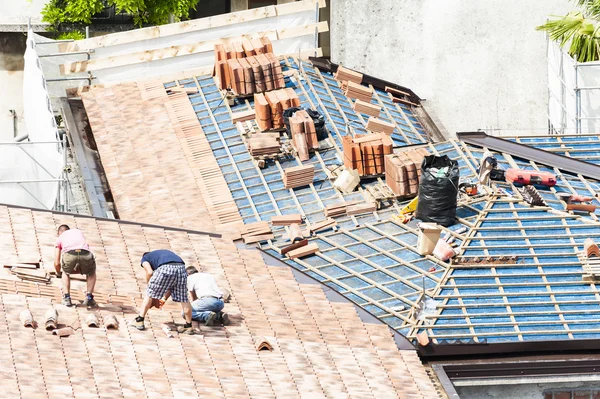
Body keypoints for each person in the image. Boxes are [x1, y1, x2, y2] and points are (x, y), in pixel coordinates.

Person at [133, 249, 194, 334]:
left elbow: (149, 272)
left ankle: (139, 320)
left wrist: (150, 287)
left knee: (149, 293)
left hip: (166, 267)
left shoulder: (145, 258)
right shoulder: (162, 254)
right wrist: (163, 300)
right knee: (184, 299)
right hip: (181, 268)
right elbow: (171, 286)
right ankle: (189, 326)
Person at [54, 224, 97, 307]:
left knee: (65, 272)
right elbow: (83, 248)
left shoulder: (60, 238)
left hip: (70, 254)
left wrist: (58, 272)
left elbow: (57, 262)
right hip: (85, 253)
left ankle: (67, 298)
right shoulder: (78, 231)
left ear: (59, 233)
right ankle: (89, 298)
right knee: (91, 272)